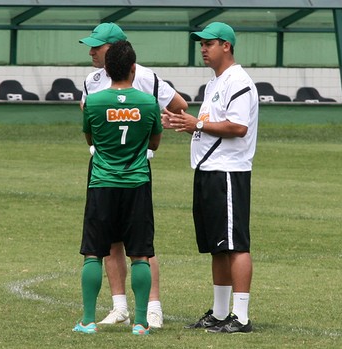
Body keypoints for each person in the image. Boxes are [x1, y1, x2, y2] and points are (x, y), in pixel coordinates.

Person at [79, 22, 188, 329]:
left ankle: (153, 307)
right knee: (112, 242)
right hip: (103, 167)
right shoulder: (92, 81)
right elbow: (87, 113)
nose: (91, 51)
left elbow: (179, 106)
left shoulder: (147, 78)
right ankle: (119, 307)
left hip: (136, 168)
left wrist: (153, 129)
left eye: (96, 47)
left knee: (140, 245)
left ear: (114, 50)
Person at [162, 22, 258, 334]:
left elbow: (238, 126)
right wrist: (186, 123)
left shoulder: (238, 81)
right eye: (201, 43)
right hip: (208, 169)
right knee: (218, 246)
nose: (203, 48)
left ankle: (240, 316)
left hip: (228, 171)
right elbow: (209, 122)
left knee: (236, 244)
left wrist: (197, 125)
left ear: (226, 46)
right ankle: (219, 314)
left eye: (209, 43)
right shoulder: (215, 83)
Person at [73, 40, 162, 336]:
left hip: (102, 183)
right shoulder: (148, 103)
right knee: (139, 253)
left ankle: (87, 320)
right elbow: (154, 142)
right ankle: (140, 322)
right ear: (133, 69)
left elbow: (90, 139)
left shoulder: (94, 102)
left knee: (93, 253)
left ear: (107, 69)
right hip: (136, 183)